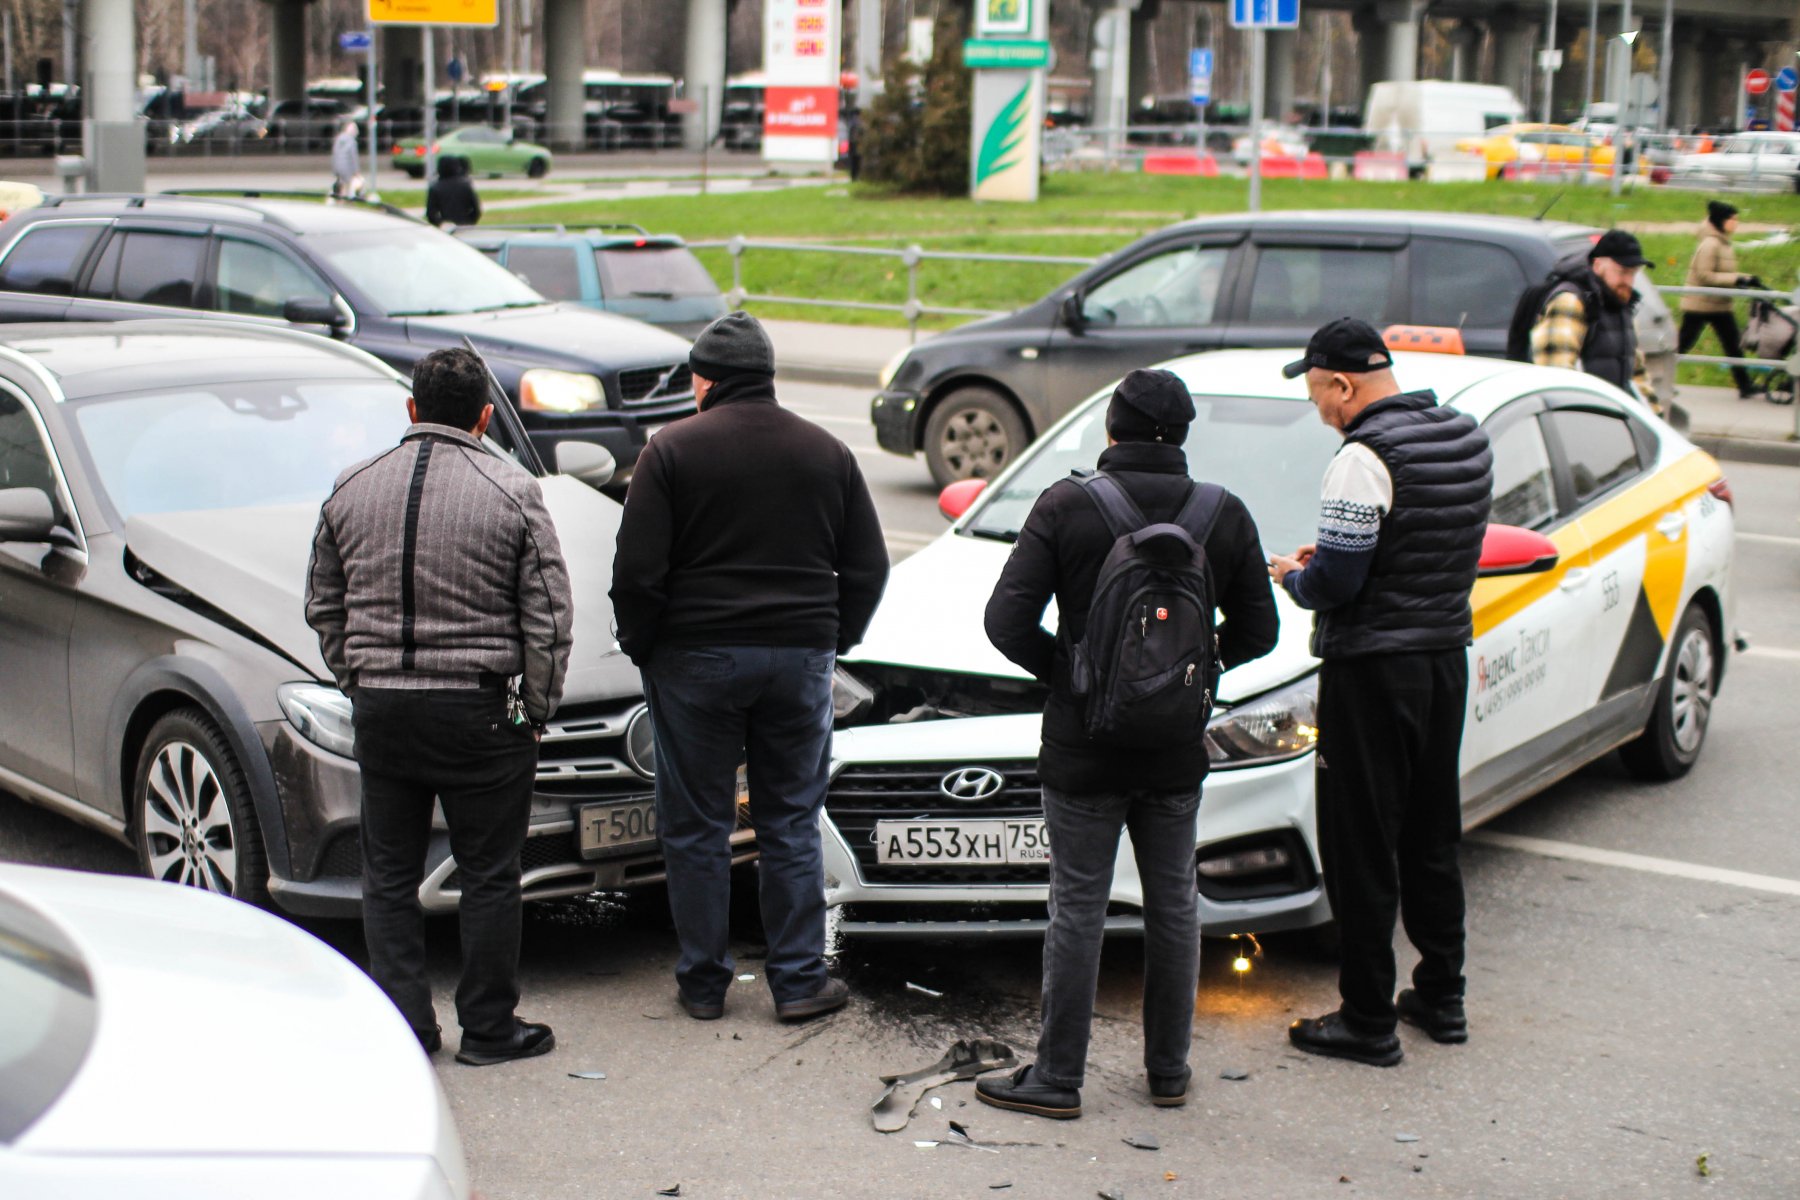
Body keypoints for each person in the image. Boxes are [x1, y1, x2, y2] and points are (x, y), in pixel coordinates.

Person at [975, 368, 1280, 1119]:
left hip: (1083, 748)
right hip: (1176, 748)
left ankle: (1057, 1079)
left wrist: (1076, 676)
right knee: (1174, 901)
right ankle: (1168, 1072)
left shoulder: (1066, 506)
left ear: (1110, 429)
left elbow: (1004, 623)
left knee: (1077, 906)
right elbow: (1261, 631)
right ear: (1181, 437)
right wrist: (1192, 673)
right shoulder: (1223, 514)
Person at [610, 311, 889, 1025]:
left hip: (696, 659)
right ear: (767, 377)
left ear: (704, 380)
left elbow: (638, 572)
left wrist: (648, 647)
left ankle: (703, 983)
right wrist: (834, 638)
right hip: (798, 657)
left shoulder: (671, 450)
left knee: (697, 824)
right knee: (790, 819)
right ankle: (797, 982)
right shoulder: (826, 451)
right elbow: (867, 565)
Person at [305, 347, 573, 1067]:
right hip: (483, 713)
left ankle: (405, 1027)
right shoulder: (512, 490)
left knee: (387, 873)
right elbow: (548, 616)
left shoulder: (350, 487)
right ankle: (489, 1029)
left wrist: (358, 677)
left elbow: (322, 605)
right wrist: (532, 712)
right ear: (486, 415)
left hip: (383, 709)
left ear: (412, 409)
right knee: (490, 870)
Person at [1268, 318, 1493, 1068]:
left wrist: (1293, 576)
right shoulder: (1464, 435)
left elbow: (1337, 581)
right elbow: (1422, 544)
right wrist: (1336, 553)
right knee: (1431, 834)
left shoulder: (1363, 457)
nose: (1319, 410)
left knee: (1361, 844)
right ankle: (1443, 995)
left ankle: (1366, 1019)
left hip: (1371, 672)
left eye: (1317, 394)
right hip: (1441, 661)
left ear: (1343, 384)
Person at [1525, 229, 1658, 409]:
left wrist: (1654, 418)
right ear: (1597, 265)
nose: (1628, 281)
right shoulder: (1571, 302)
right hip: (1582, 421)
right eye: (1622, 272)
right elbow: (1556, 376)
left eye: (1633, 273)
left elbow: (1636, 374)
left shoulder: (1621, 307)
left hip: (1612, 419)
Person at [1678, 200, 1764, 400]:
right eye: (1733, 219)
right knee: (1682, 345)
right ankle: (1654, 380)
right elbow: (1705, 275)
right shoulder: (1710, 244)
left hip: (1718, 304)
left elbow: (1723, 273)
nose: (1736, 223)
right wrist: (1737, 279)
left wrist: (1745, 278)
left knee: (1733, 345)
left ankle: (1745, 386)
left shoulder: (1722, 242)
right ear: (1721, 221)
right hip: (1700, 305)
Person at [427, 154, 482, 228]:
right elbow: (476, 209)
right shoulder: (465, 186)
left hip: (445, 227)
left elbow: (431, 213)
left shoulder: (436, 187)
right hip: (465, 225)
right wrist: (470, 221)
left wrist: (439, 223)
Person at [331, 121, 361, 198]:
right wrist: (356, 171)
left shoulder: (338, 139)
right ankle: (346, 202)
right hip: (347, 167)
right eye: (354, 128)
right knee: (348, 186)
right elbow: (353, 157)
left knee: (341, 185)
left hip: (338, 167)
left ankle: (340, 200)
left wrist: (335, 169)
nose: (356, 131)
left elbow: (335, 154)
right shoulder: (351, 141)